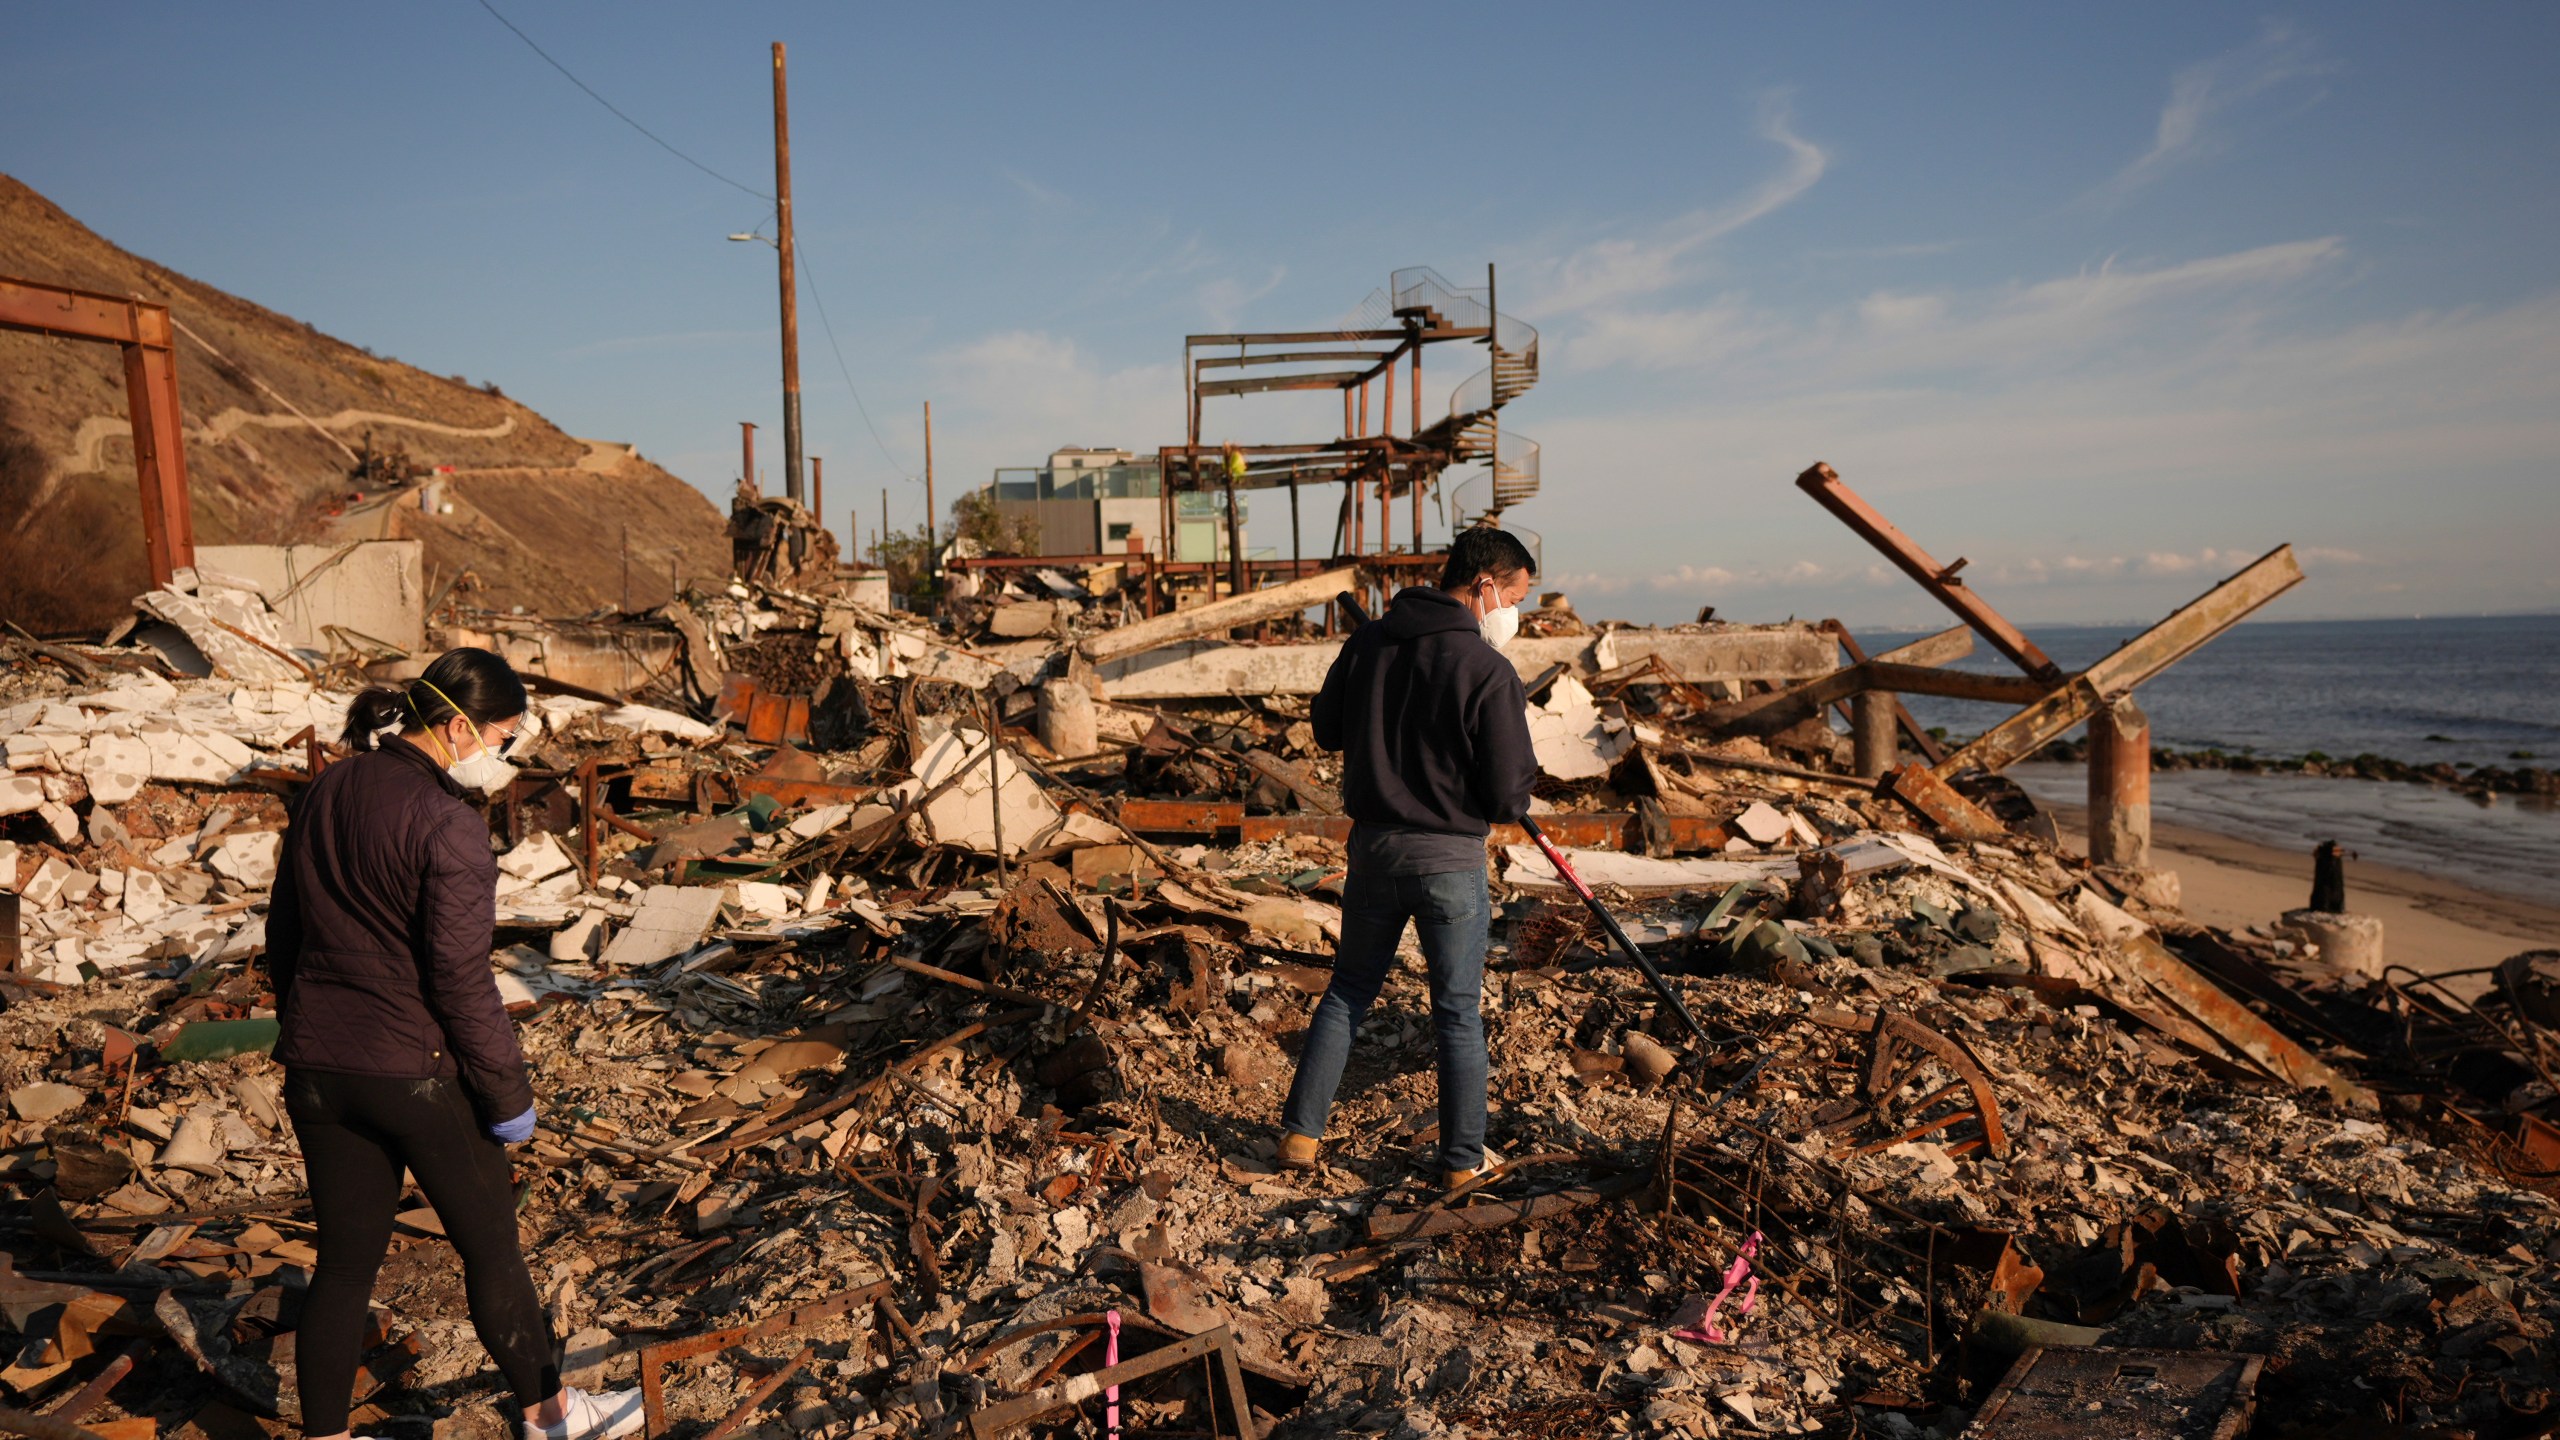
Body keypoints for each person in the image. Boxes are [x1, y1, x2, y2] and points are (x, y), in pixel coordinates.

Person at [266, 648, 643, 1440]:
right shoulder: (450, 826)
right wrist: (508, 1096)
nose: (504, 756)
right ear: (461, 726)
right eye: (504, 737)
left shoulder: (329, 787)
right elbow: (461, 982)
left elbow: (284, 936)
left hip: (319, 1070)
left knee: (341, 1267)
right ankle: (554, 1417)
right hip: (416, 1074)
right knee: (493, 1252)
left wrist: (311, 1027)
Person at [1277, 527, 1540, 1188]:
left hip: (1372, 855)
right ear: (1484, 586)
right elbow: (1509, 797)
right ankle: (1460, 1164)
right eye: (1515, 597)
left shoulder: (1368, 643)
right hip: (1449, 863)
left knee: (1347, 993)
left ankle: (1301, 1137)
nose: (1516, 614)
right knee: (1456, 1012)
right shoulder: (1486, 670)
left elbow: (1327, 728)